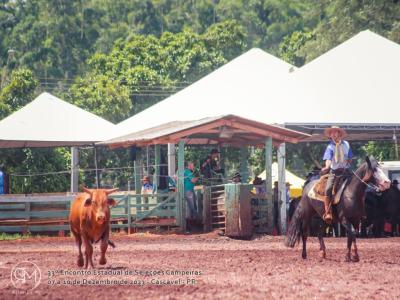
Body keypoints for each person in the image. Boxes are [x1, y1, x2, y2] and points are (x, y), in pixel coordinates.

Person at [321, 126, 353, 223]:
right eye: (331, 133)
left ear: (339, 134)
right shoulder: (330, 147)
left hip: (346, 170)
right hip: (334, 172)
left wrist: (349, 161)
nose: (333, 134)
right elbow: (328, 159)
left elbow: (350, 157)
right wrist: (327, 167)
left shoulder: (346, 144)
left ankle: (361, 210)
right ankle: (327, 212)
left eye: (335, 132)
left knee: (358, 184)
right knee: (328, 189)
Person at [184, 161, 198, 232]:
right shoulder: (187, 172)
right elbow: (193, 180)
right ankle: (189, 227)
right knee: (191, 207)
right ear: (189, 166)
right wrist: (197, 177)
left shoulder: (187, 172)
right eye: (192, 165)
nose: (193, 167)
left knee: (192, 207)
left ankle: (191, 226)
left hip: (190, 190)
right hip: (188, 191)